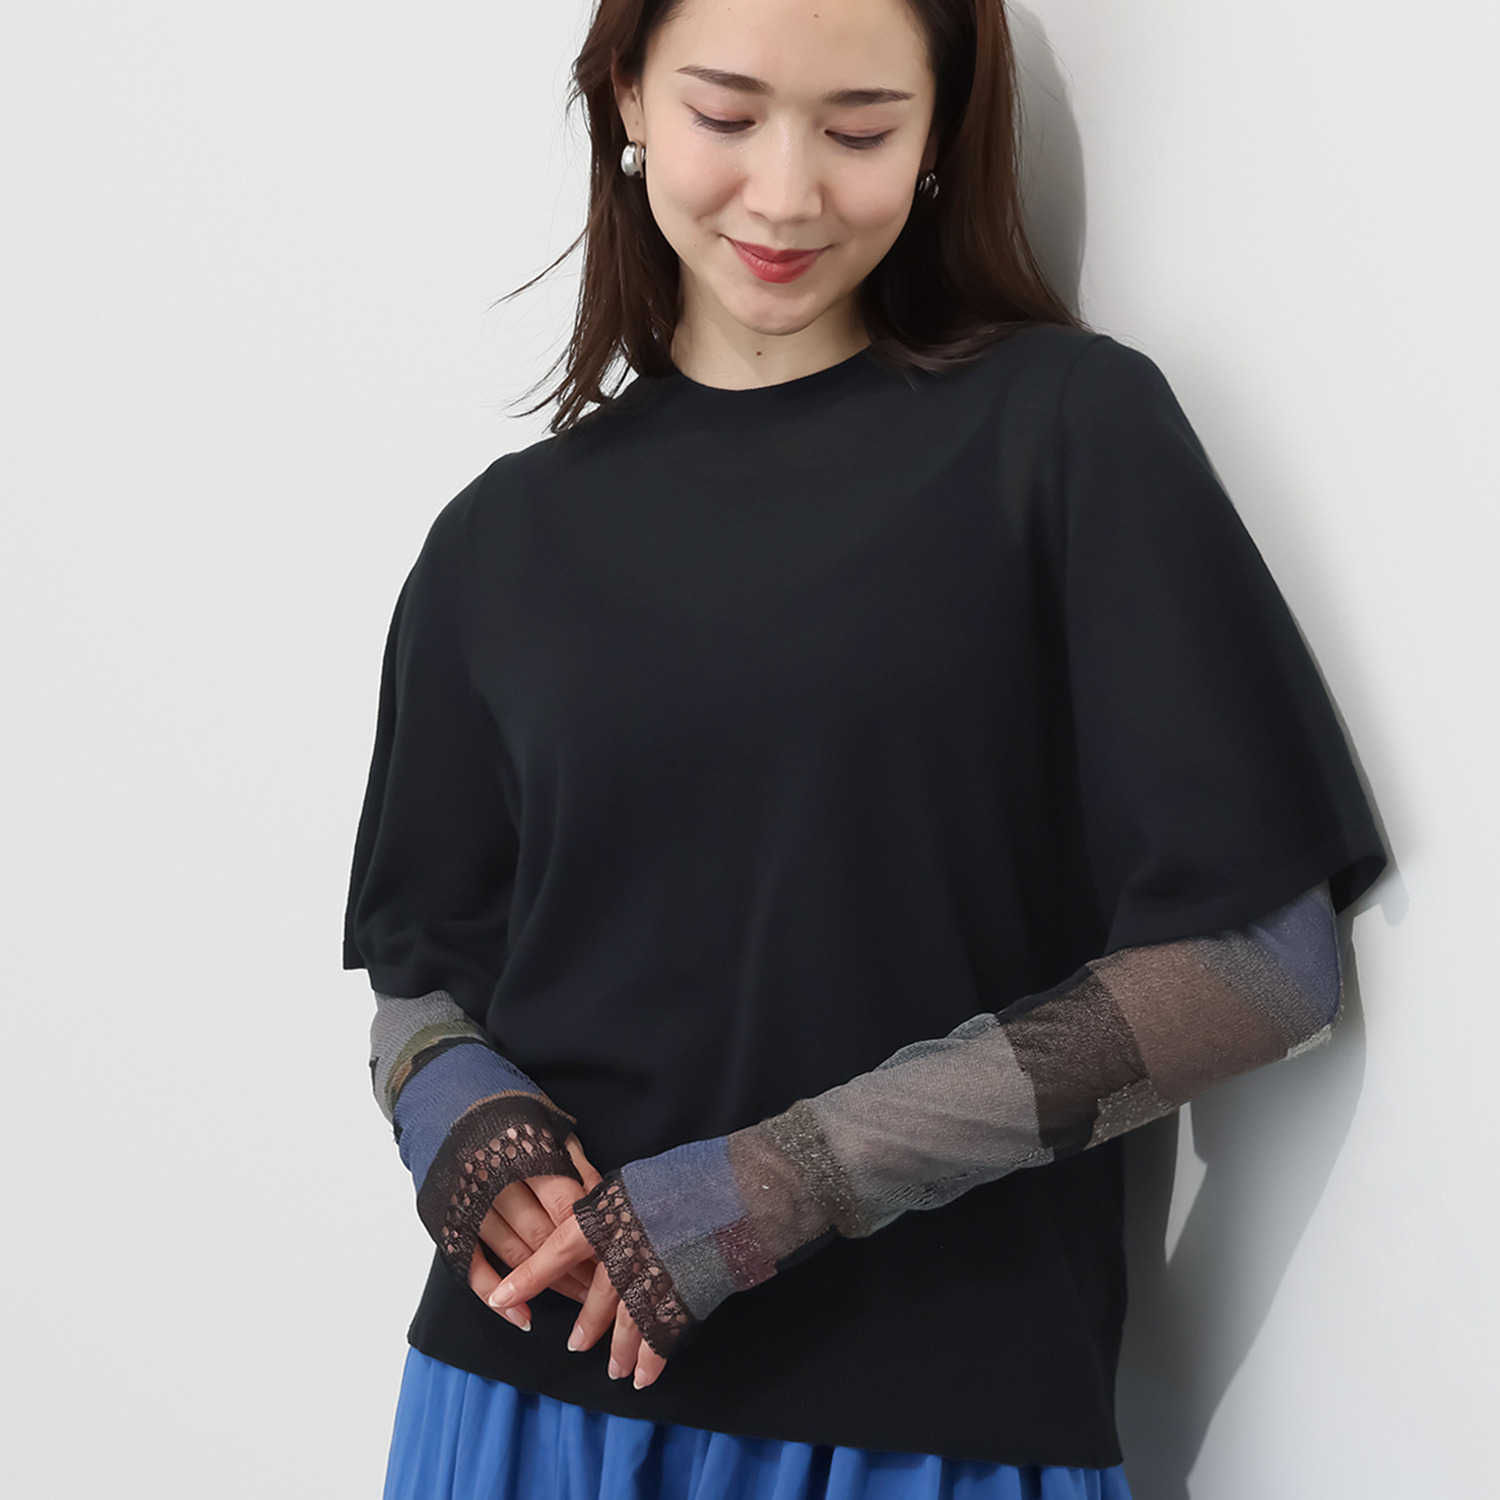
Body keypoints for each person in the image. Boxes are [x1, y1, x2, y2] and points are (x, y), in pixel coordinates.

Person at [341, 1, 1387, 1496]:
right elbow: (422, 962)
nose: (786, 193)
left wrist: (777, 1186)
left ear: (942, 131)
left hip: (925, 1418)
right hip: (519, 1396)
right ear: (627, 94)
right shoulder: (496, 536)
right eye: (725, 115)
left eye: (859, 129)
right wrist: (458, 1114)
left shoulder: (1064, 430)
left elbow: (1262, 967)